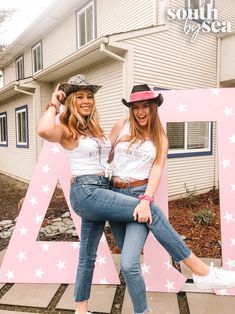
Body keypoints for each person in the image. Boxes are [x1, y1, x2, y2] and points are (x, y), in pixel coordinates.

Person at [37, 75, 235, 314]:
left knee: (106, 260)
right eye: (79, 96)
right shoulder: (87, 127)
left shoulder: (101, 129)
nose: (140, 111)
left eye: (89, 96)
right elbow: (47, 130)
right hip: (97, 192)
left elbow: (112, 157)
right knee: (146, 214)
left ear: (153, 108)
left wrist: (94, 175)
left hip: (108, 190)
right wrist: (54, 103)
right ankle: (200, 270)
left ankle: (82, 310)